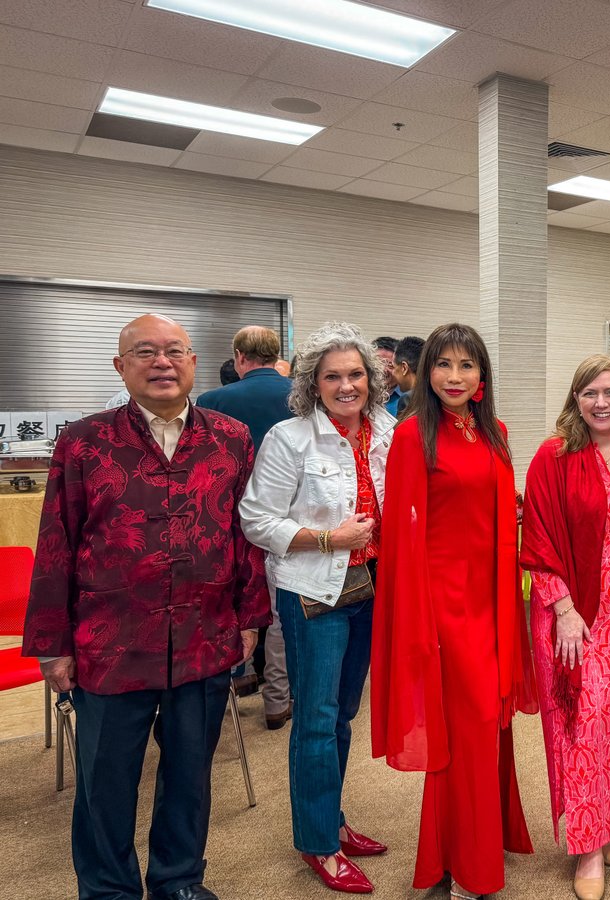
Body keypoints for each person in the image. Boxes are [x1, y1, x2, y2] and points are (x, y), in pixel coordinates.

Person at [22, 314, 270, 900]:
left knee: (190, 777)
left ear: (191, 362)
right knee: (105, 784)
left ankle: (178, 881)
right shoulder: (83, 441)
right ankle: (108, 889)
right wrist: (52, 643)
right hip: (110, 644)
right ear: (120, 367)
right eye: (145, 352)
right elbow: (56, 544)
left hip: (205, 637)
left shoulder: (231, 437)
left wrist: (251, 619)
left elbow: (246, 538)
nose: (162, 362)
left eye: (174, 351)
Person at [371, 323, 538, 900]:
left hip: (493, 597)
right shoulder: (414, 435)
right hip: (444, 605)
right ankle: (460, 863)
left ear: (482, 376)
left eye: (467, 365)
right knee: (461, 730)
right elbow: (400, 539)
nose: (454, 376)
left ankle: (473, 844)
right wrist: (417, 617)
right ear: (425, 373)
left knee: (489, 727)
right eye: (443, 364)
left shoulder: (493, 434)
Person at [240, 322, 394, 894]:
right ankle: (318, 843)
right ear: (313, 383)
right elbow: (257, 520)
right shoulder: (289, 437)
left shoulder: (387, 430)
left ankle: (333, 818)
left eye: (356, 374)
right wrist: (330, 539)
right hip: (314, 592)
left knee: (345, 714)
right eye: (333, 376)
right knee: (315, 719)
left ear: (371, 379)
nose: (346, 385)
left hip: (373, 591)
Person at [521, 354, 610, 900]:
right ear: (575, 399)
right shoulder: (554, 456)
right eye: (590, 393)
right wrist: (562, 609)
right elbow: (536, 537)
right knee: (585, 729)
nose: (601, 403)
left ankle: (607, 828)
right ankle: (586, 849)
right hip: (580, 618)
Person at [198, 326, 297, 725]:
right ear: (277, 355)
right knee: (277, 609)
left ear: (239, 356)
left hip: (229, 518)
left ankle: (239, 677)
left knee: (231, 600)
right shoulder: (301, 394)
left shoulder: (211, 400)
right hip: (289, 518)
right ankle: (278, 698)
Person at [389, 335, 425, 417]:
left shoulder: (408, 399)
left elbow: (401, 430)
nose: (392, 373)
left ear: (404, 368)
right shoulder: (437, 394)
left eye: (393, 367)